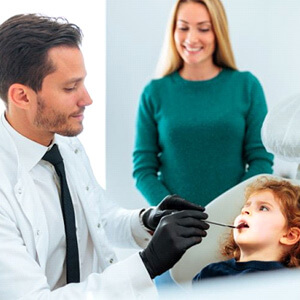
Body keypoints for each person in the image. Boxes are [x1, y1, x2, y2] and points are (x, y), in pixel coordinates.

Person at [0, 14, 210, 299]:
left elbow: (99, 218)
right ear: (22, 96)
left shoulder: (64, 145)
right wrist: (148, 263)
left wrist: (147, 220)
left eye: (83, 83)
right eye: (70, 87)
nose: (87, 99)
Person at [133, 0, 274, 207]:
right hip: (175, 226)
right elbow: (143, 169)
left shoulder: (246, 86)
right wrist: (174, 213)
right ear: (173, 31)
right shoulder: (154, 92)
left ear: (218, 31)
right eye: (183, 28)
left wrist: (230, 210)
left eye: (203, 28)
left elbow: (261, 161)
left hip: (234, 224)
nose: (191, 38)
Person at [193, 176, 300, 282]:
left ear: (290, 235)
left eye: (263, 208)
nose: (245, 211)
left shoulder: (286, 286)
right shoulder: (209, 273)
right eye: (245, 207)